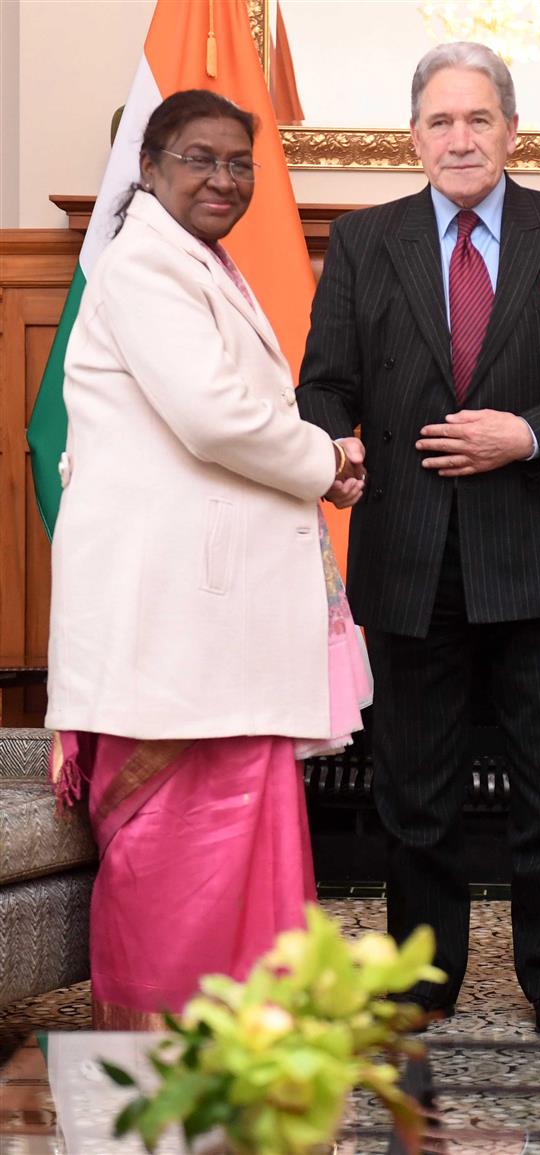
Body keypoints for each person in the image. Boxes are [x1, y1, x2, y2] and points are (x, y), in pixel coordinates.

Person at [296, 43, 540, 1035]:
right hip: (407, 558)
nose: (459, 138)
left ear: (509, 130)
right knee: (416, 793)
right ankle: (422, 979)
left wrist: (527, 433)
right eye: (440, 122)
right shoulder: (365, 242)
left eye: (477, 119)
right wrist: (335, 442)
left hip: (539, 554)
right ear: (413, 137)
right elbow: (324, 381)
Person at [45, 89, 369, 1029]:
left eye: (239, 162)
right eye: (199, 158)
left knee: (237, 866)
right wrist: (327, 461)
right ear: (147, 169)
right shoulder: (145, 264)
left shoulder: (198, 263)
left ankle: (243, 1060)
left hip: (211, 647)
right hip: (169, 643)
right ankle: (158, 1077)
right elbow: (214, 415)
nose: (224, 179)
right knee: (172, 870)